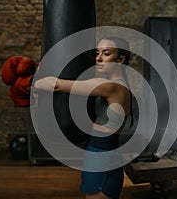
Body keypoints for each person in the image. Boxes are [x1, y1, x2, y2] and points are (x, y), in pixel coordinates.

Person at [34, 37, 132, 199]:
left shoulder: (113, 87)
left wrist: (32, 81)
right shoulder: (109, 84)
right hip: (97, 152)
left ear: (120, 60)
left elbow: (56, 85)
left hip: (104, 155)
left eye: (106, 54)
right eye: (97, 53)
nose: (98, 58)